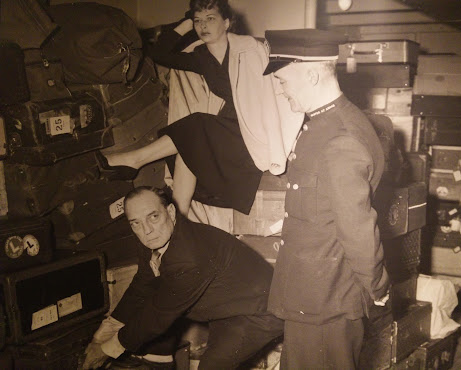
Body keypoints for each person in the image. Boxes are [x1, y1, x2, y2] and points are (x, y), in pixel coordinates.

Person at [96, 0, 303, 216]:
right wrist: (186, 23)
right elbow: (159, 54)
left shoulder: (248, 50)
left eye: (210, 19)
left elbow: (269, 96)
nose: (203, 26)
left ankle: (134, 160)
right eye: (198, 21)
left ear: (227, 23)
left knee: (196, 125)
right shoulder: (201, 57)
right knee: (190, 145)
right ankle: (180, 216)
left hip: (253, 133)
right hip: (228, 129)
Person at [262, 29, 390, 369]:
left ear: (313, 74)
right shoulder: (323, 124)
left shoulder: (340, 138)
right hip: (312, 291)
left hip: (326, 298)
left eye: (284, 81)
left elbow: (357, 228)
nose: (281, 90)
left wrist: (376, 284)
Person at [82, 186, 283, 370]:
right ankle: (159, 360)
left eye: (153, 217)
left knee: (211, 367)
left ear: (170, 212)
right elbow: (142, 284)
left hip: (257, 313)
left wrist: (107, 349)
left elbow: (160, 312)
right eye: (136, 223)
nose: (146, 230)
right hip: (225, 305)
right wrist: (108, 329)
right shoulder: (154, 238)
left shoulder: (189, 257)